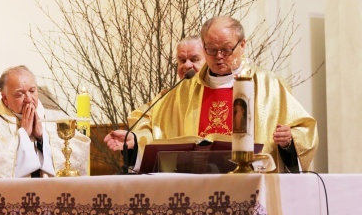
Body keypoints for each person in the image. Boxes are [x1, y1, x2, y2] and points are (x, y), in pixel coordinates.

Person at [105, 16, 318, 172]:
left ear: (242, 45)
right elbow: (155, 127)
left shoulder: (269, 85)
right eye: (211, 49)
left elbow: (303, 130)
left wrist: (288, 141)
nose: (218, 57)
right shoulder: (184, 90)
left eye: (226, 50)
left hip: (253, 187)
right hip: (196, 190)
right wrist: (134, 140)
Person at [0, 65, 90, 178]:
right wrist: (22, 135)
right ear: (5, 98)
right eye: (19, 94)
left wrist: (43, 137)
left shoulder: (58, 119)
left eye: (32, 91)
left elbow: (80, 154)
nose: (28, 99)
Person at [104, 36, 205, 158]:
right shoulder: (165, 99)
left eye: (194, 59)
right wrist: (136, 140)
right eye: (182, 61)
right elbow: (152, 130)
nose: (187, 65)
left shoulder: (219, 94)